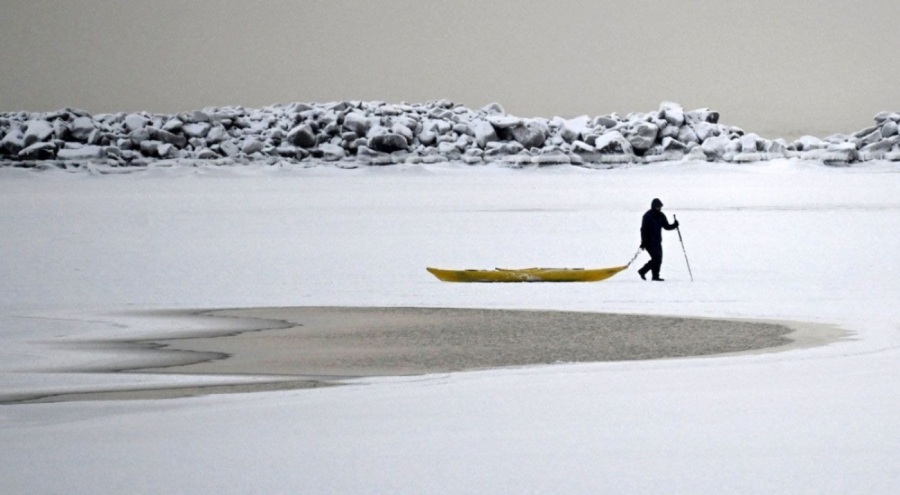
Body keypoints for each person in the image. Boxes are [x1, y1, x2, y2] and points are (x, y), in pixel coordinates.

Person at [638, 198, 679, 281]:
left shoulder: (661, 215)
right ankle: (643, 271)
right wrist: (643, 242)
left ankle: (655, 276)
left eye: (660, 207)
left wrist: (674, 225)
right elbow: (643, 230)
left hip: (657, 242)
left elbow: (666, 226)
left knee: (658, 259)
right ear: (653, 206)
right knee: (656, 258)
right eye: (657, 207)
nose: (659, 208)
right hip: (648, 242)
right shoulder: (647, 216)